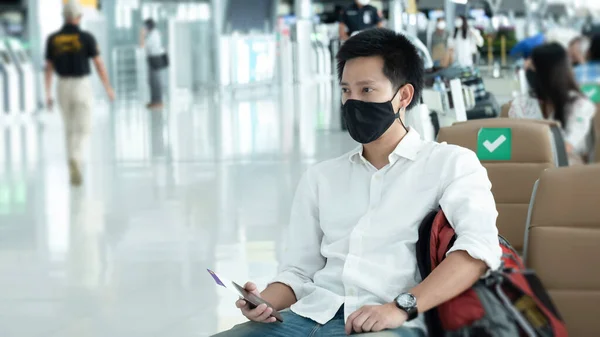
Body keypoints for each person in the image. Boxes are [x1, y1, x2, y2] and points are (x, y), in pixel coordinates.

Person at [212, 28, 501, 337]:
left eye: (366, 91)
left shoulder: (450, 164)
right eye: (346, 91)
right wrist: (264, 300)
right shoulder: (321, 178)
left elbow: (478, 251)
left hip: (393, 322)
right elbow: (298, 273)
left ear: (403, 95)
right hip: (308, 316)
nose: (352, 102)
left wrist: (400, 307)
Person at [44, 0, 115, 186]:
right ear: (79, 17)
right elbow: (99, 65)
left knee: (69, 128)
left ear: (64, 17)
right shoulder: (86, 37)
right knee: (84, 127)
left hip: (62, 86)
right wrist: (107, 87)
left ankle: (71, 164)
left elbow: (48, 68)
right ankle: (77, 158)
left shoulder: (53, 39)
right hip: (81, 85)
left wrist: (48, 94)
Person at [509, 43, 596, 164]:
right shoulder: (523, 104)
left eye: (532, 66)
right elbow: (514, 142)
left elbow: (566, 147)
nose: (528, 71)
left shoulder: (579, 105)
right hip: (530, 171)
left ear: (545, 72)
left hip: (569, 173)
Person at [139, 18, 165, 109]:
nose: (144, 28)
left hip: (155, 59)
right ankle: (154, 101)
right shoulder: (153, 34)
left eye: (145, 26)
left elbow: (143, 46)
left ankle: (158, 101)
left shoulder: (153, 35)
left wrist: (142, 35)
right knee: (152, 81)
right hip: (153, 59)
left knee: (155, 81)